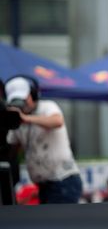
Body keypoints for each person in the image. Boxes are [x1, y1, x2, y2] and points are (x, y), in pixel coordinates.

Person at [4, 75, 83, 204]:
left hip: (63, 181)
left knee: (58, 223)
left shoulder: (47, 107)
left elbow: (57, 121)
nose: (22, 104)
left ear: (33, 94)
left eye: (24, 99)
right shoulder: (16, 118)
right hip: (42, 186)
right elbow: (11, 150)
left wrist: (26, 119)